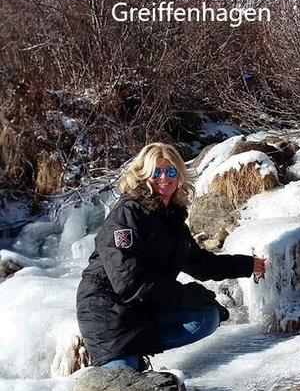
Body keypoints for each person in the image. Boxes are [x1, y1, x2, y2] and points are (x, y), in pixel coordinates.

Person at [76, 142, 266, 371]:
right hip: (107, 312)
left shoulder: (171, 220)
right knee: (124, 383)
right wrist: (185, 295)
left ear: (179, 177)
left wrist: (248, 265)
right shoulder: (126, 216)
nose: (164, 177)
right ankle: (120, 355)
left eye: (171, 171)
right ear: (143, 175)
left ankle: (137, 350)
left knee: (207, 316)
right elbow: (129, 284)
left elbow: (202, 264)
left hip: (140, 307)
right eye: (157, 172)